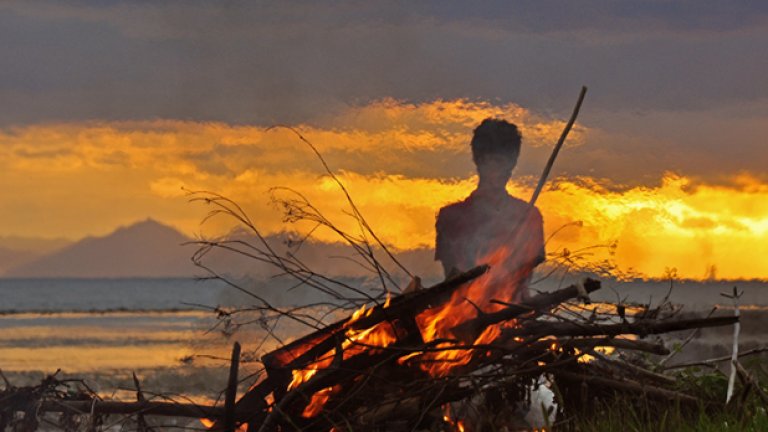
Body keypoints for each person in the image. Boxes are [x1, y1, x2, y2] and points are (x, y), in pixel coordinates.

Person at [435, 118, 545, 302]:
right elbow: (452, 278)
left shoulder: (529, 217)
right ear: (478, 161)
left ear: (513, 164)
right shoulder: (451, 217)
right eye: (491, 161)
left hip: (512, 311)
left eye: (504, 162)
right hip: (462, 310)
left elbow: (526, 274)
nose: (498, 170)